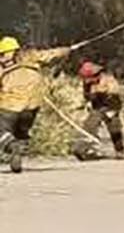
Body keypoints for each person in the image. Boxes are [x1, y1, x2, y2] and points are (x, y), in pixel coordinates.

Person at [0, 36, 71, 174]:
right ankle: (17, 153)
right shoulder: (32, 57)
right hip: (32, 106)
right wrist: (66, 50)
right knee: (21, 133)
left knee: (3, 133)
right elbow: (51, 55)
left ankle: (13, 146)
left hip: (9, 106)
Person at [74, 60, 124, 160]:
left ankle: (119, 150)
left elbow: (115, 91)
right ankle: (86, 149)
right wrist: (87, 100)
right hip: (97, 107)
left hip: (111, 107)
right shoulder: (87, 83)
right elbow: (86, 95)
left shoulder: (108, 79)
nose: (87, 81)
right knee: (90, 126)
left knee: (114, 128)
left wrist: (101, 91)